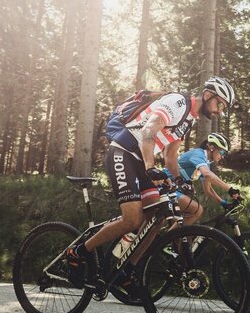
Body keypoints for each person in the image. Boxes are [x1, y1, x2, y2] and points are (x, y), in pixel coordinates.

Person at [65, 77, 237, 292]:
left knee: (158, 216)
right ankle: (79, 252)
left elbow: (171, 156)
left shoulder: (188, 120)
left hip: (141, 161)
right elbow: (148, 131)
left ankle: (127, 272)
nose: (220, 111)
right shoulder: (178, 103)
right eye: (220, 104)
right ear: (208, 94)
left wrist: (179, 181)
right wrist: (149, 166)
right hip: (123, 152)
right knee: (133, 218)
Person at [173, 132, 242, 225]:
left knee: (189, 227)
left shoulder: (205, 163)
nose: (222, 156)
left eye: (224, 154)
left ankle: (176, 237)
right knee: (196, 210)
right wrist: (230, 189)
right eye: (222, 152)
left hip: (174, 189)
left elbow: (208, 189)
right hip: (165, 185)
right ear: (211, 147)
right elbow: (207, 175)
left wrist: (223, 203)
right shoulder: (198, 154)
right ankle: (172, 237)